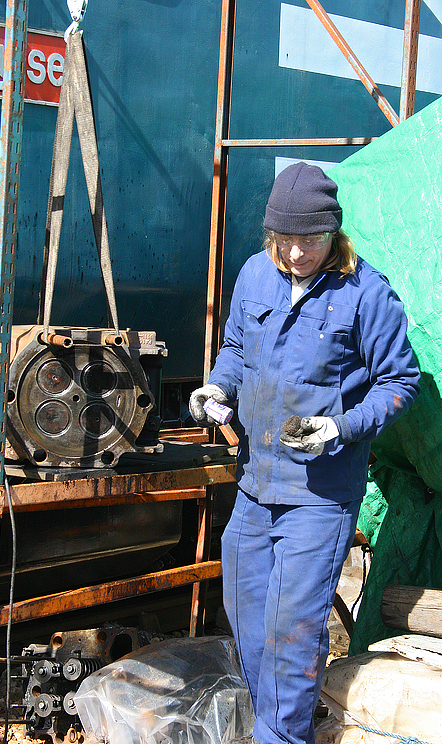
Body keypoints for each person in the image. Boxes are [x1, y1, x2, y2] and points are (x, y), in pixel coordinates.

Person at [189, 162, 420, 744]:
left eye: (309, 240)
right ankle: (279, 730)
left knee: (293, 634)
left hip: (319, 497)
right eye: (284, 240)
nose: (295, 253)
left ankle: (281, 737)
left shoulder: (366, 294)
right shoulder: (254, 275)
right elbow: (238, 349)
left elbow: (401, 382)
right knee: (248, 627)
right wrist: (219, 388)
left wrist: (338, 428)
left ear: (333, 233)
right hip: (254, 489)